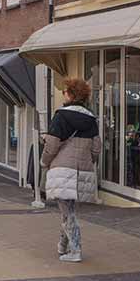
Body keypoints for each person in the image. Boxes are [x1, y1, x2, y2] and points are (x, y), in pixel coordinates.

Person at [40, 78, 101, 263]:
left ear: (72, 95)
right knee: (68, 209)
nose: (63, 94)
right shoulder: (91, 119)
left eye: (65, 91)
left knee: (67, 211)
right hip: (82, 171)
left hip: (62, 169)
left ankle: (75, 250)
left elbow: (51, 145)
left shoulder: (60, 116)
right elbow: (96, 147)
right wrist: (88, 162)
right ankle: (63, 246)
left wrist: (44, 162)